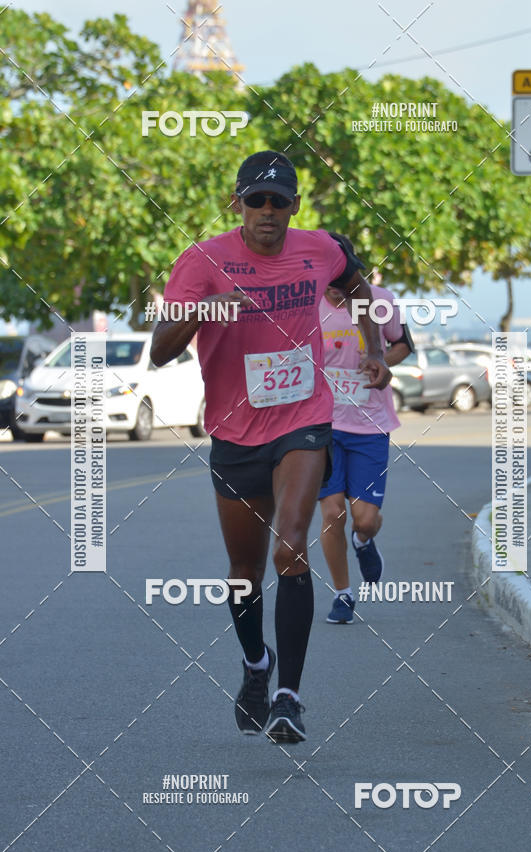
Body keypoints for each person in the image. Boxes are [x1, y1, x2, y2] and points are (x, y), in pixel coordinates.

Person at [150, 150, 390, 744]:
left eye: (278, 201)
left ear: (294, 207)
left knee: (290, 549)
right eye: (255, 200)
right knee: (243, 570)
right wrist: (206, 309)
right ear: (238, 204)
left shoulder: (319, 249)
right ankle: (257, 666)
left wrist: (377, 347)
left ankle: (290, 698)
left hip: (303, 420)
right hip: (234, 431)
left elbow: (357, 284)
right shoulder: (203, 261)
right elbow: (158, 349)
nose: (267, 212)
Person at [319, 280, 414, 623]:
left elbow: (404, 345)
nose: (334, 292)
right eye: (327, 284)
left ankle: (363, 541)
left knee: (365, 519)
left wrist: (382, 362)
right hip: (322, 426)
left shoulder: (381, 301)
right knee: (332, 514)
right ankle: (343, 594)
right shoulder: (307, 302)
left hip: (370, 424)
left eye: (341, 284)